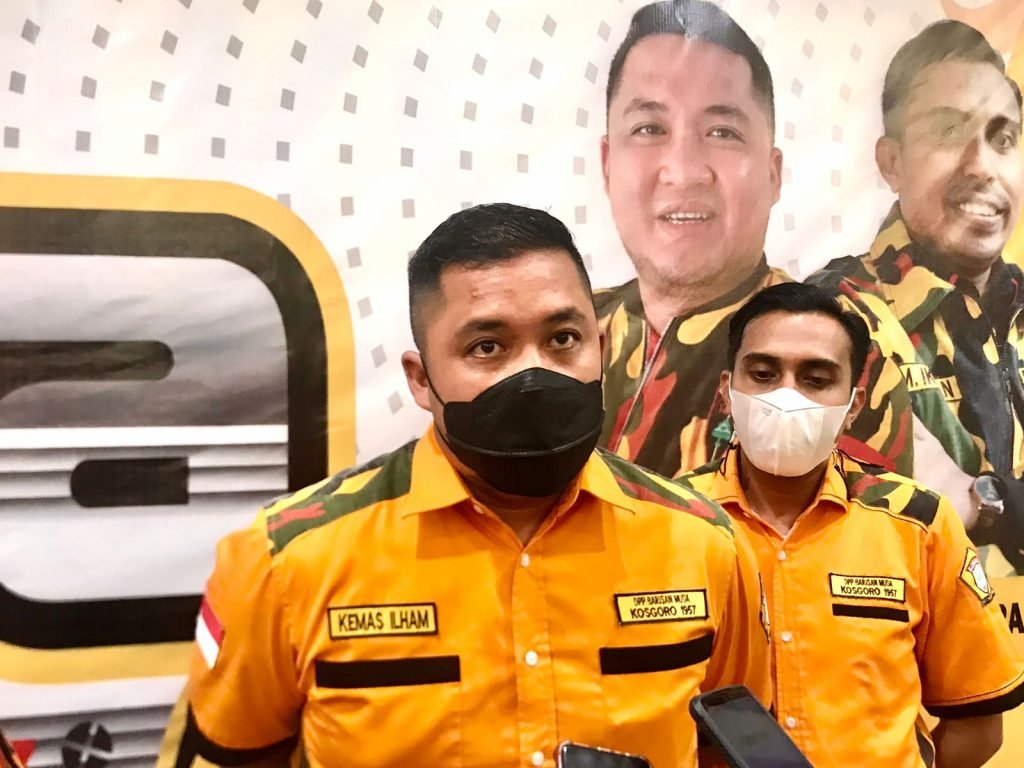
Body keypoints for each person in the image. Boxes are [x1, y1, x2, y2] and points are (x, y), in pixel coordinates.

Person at [177, 204, 770, 768]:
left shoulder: (703, 543)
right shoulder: (289, 561)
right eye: (487, 347)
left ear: (600, 348)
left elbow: (731, 744)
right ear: (421, 379)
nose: (533, 374)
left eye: (563, 339)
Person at [682, 283, 1024, 768]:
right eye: (763, 374)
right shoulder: (669, 519)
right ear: (726, 390)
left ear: (854, 405)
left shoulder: (917, 523)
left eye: (816, 379)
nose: (786, 396)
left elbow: (979, 724)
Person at [597, 0, 909, 480]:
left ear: (773, 173)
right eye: (649, 128)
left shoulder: (835, 348)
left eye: (722, 132)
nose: (684, 171)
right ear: (607, 165)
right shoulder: (562, 335)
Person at [810, 20, 1024, 574]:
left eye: (1003, 139)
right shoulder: (830, 319)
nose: (982, 166)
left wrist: (980, 503)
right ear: (891, 163)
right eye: (949, 131)